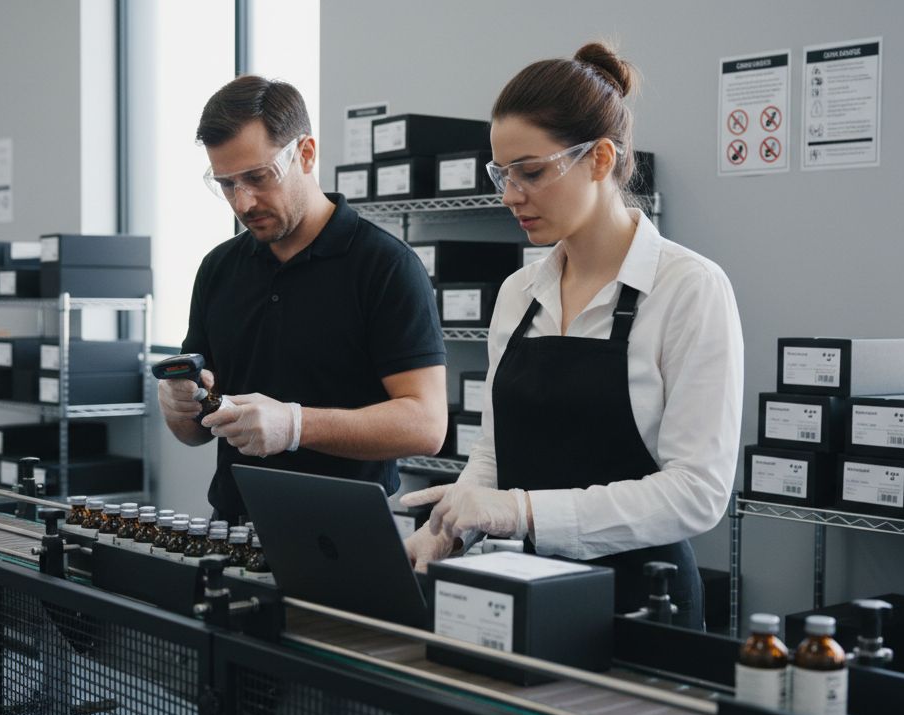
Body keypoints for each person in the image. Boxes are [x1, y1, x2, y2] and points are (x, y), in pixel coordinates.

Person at [402, 43, 744, 630]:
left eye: (531, 172)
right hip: (521, 594)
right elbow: (492, 452)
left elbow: (696, 493)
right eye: (501, 174)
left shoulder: (688, 289)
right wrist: (448, 531)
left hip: (642, 607)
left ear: (600, 159)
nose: (510, 195)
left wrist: (521, 510)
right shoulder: (518, 293)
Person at [159, 75, 448, 523]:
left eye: (258, 177)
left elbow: (427, 425)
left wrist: (294, 426)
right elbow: (195, 431)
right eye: (227, 184)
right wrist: (178, 409)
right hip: (234, 525)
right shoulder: (218, 269)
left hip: (345, 532)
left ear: (306, 154)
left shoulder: (385, 266)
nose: (244, 201)